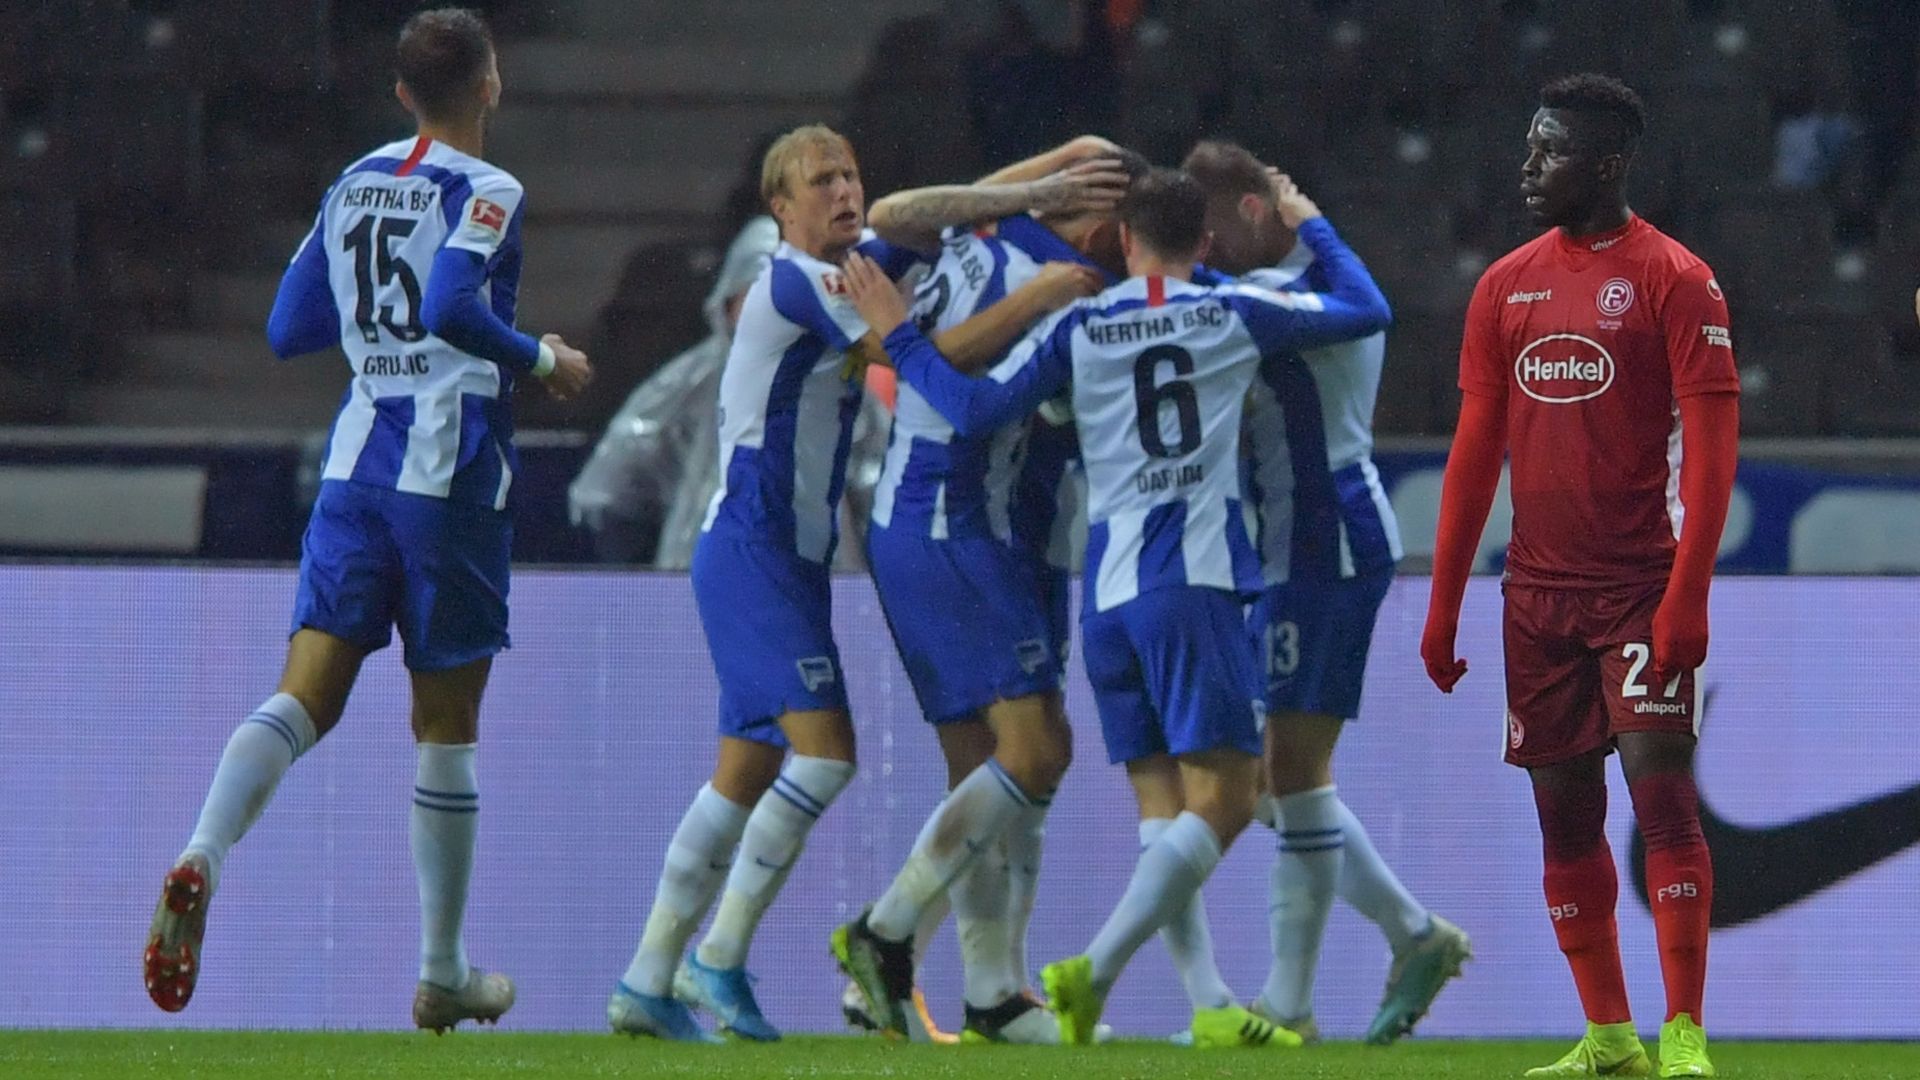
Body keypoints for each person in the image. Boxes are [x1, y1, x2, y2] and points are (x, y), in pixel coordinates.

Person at [843, 167, 1390, 1048]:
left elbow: (975, 408)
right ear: (1205, 244)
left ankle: (1206, 1003)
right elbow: (1364, 308)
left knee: (1161, 806)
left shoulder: (1081, 324)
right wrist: (1311, 220)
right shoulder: (1233, 312)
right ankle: (1090, 970)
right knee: (1237, 792)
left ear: (1125, 242)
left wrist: (900, 341)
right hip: (1196, 584)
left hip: (1105, 600)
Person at [608, 123, 1126, 1043]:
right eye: (819, 181)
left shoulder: (852, 262)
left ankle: (649, 978)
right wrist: (1045, 286)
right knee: (828, 755)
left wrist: (1038, 177)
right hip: (754, 545)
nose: (843, 193)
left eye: (848, 173)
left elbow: (928, 213)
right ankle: (725, 959)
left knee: (745, 768)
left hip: (790, 551)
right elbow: (925, 355)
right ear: (780, 210)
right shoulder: (803, 283)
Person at [141, 7, 594, 1032]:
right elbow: (450, 309)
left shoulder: (354, 179)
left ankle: (202, 853)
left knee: (304, 695)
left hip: (354, 471)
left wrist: (370, 333)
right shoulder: (490, 188)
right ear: (492, 82)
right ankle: (442, 971)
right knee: (445, 725)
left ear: (400, 94)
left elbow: (287, 327)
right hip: (451, 472)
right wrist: (542, 360)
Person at [1421, 74, 1737, 1079]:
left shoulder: (1676, 279)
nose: (1527, 166)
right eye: (1528, 145)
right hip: (1538, 597)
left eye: (1548, 149)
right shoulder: (1503, 285)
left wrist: (1688, 594)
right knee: (1564, 814)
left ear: (1605, 164)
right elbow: (1475, 455)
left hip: (1643, 584)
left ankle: (1684, 1032)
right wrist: (1443, 608)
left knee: (1663, 796)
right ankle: (1611, 1037)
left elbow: (1717, 450)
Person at [832, 136, 1136, 1045]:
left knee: (989, 771)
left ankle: (993, 993)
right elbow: (950, 373)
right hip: (947, 519)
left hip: (990, 528)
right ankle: (886, 935)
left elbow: (897, 230)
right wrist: (1046, 185)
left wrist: (1033, 195)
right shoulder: (1054, 278)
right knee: (1037, 754)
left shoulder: (995, 241)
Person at [1176, 139, 1471, 1045]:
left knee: (1291, 774)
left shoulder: (1294, 297)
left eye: (1213, 230)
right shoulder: (1299, 285)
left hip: (1326, 544)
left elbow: (1368, 308)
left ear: (1257, 211)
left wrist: (1315, 224)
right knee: (1274, 780)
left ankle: (1289, 1004)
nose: (1205, 251)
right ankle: (1411, 935)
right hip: (1291, 549)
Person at [567, 216, 779, 567]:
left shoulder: (832, 378)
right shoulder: (694, 379)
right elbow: (607, 488)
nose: (771, 312)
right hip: (698, 578)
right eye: (755, 295)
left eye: (783, 298)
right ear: (728, 301)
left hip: (821, 585)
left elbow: (873, 477)